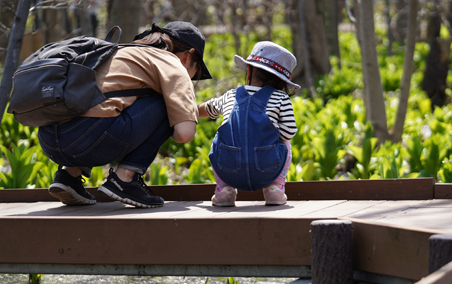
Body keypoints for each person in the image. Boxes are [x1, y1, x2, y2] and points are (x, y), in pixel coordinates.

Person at [40, 21, 212, 208]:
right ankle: (125, 179)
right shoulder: (172, 62)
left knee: (105, 103)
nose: (192, 78)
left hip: (49, 139)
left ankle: (68, 176)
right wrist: (179, 115)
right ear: (188, 56)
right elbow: (184, 134)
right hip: (90, 140)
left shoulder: (120, 51)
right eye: (195, 74)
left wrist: (202, 110)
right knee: (164, 102)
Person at [199, 41, 299, 207]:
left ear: (249, 71)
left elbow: (208, 109)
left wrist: (188, 111)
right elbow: (289, 132)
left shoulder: (230, 95)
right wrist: (268, 135)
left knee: (218, 137)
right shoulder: (281, 99)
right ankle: (275, 188)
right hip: (267, 169)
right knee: (286, 143)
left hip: (228, 168)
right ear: (282, 83)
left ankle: (224, 190)